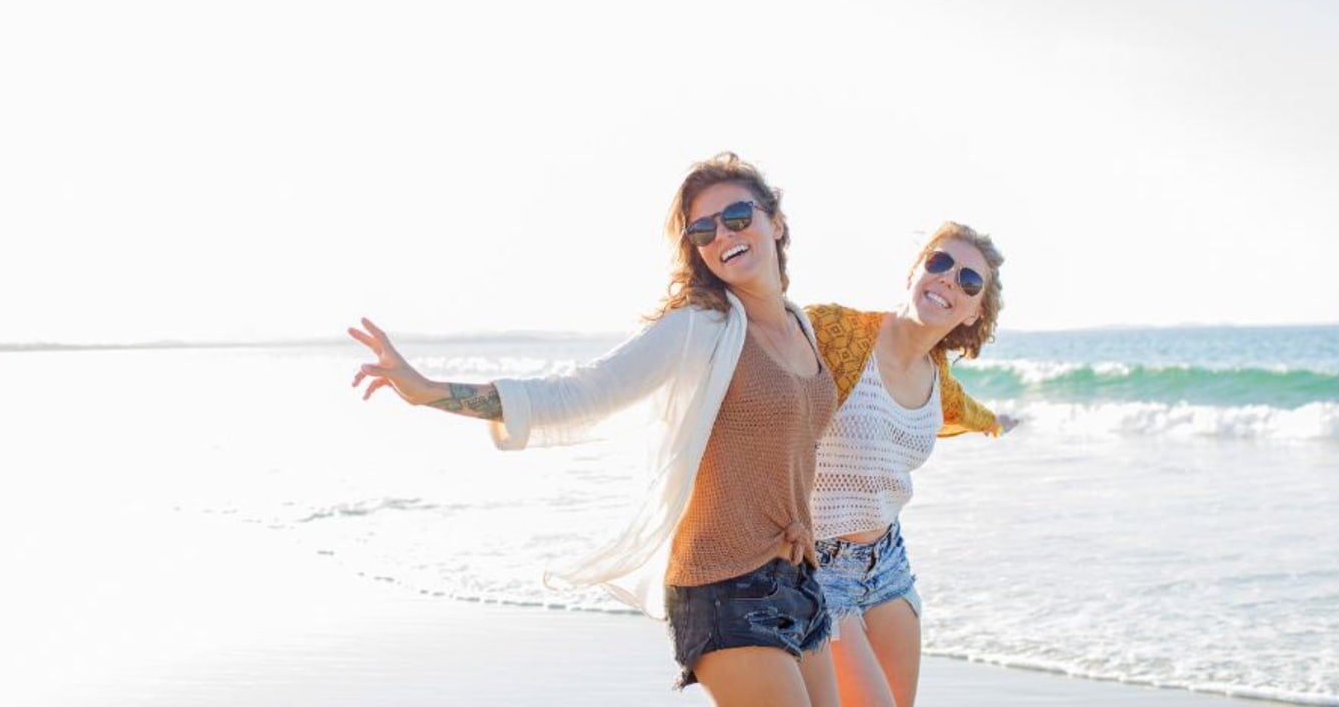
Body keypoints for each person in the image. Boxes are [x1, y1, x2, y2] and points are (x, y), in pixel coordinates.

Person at [349, 152, 841, 707]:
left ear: (775, 222)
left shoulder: (801, 324)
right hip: (723, 584)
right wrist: (429, 391)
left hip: (797, 578)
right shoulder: (701, 328)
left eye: (736, 216)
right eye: (702, 229)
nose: (722, 234)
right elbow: (581, 392)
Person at [803, 221, 1017, 707]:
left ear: (974, 311)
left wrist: (1000, 423)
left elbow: (969, 412)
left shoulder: (938, 382)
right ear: (914, 272)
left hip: (890, 564)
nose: (948, 279)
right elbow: (761, 346)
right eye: (939, 262)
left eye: (968, 280)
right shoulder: (834, 331)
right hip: (818, 567)